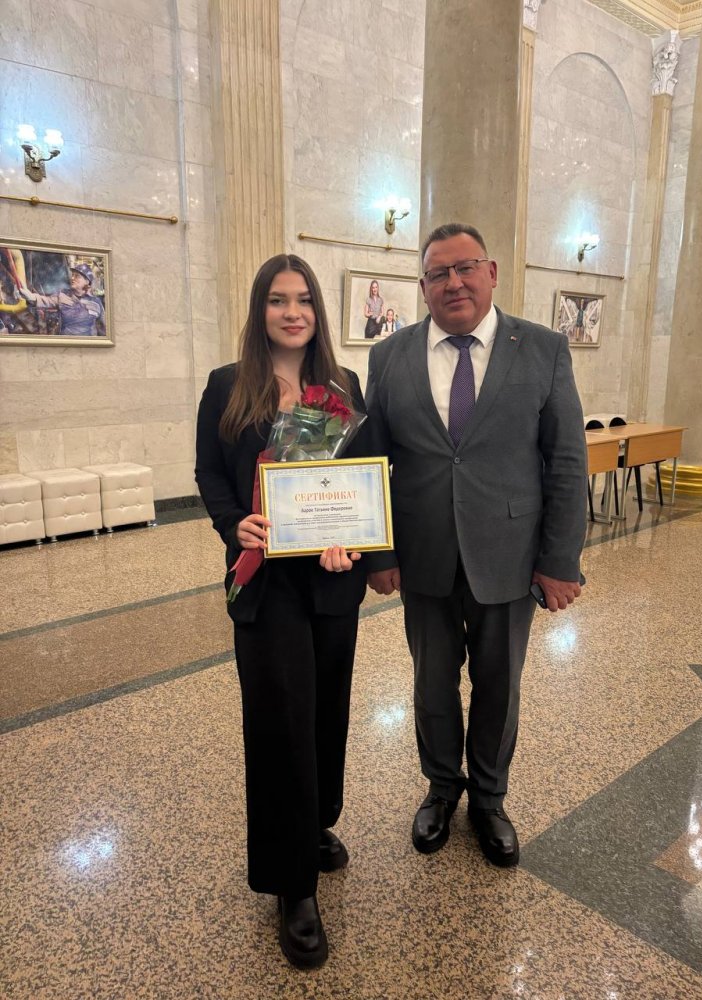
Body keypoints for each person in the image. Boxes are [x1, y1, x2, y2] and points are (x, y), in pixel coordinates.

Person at [365, 223, 587, 869]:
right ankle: (442, 788)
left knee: (499, 685)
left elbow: (566, 460)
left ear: (491, 272)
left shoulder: (542, 349)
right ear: (423, 286)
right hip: (423, 555)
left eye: (465, 268)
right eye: (438, 273)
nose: (453, 282)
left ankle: (489, 799)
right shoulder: (390, 355)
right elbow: (373, 461)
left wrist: (560, 561)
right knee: (431, 685)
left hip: (509, 555)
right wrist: (379, 552)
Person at [195, 254, 367, 970]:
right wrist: (232, 522)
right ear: (259, 310)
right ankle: (292, 884)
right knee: (280, 726)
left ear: (318, 311)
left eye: (303, 300)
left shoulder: (342, 386)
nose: (292, 312)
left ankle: (314, 823)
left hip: (329, 582)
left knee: (325, 714)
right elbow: (209, 471)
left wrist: (352, 540)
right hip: (266, 583)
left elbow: (361, 477)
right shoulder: (228, 385)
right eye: (277, 300)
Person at [19, 263, 105, 337]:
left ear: (87, 281)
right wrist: (30, 296)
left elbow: (103, 328)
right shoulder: (63, 295)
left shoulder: (96, 302)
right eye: (72, 275)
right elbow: (46, 301)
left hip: (88, 346)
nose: (72, 278)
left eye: (77, 276)